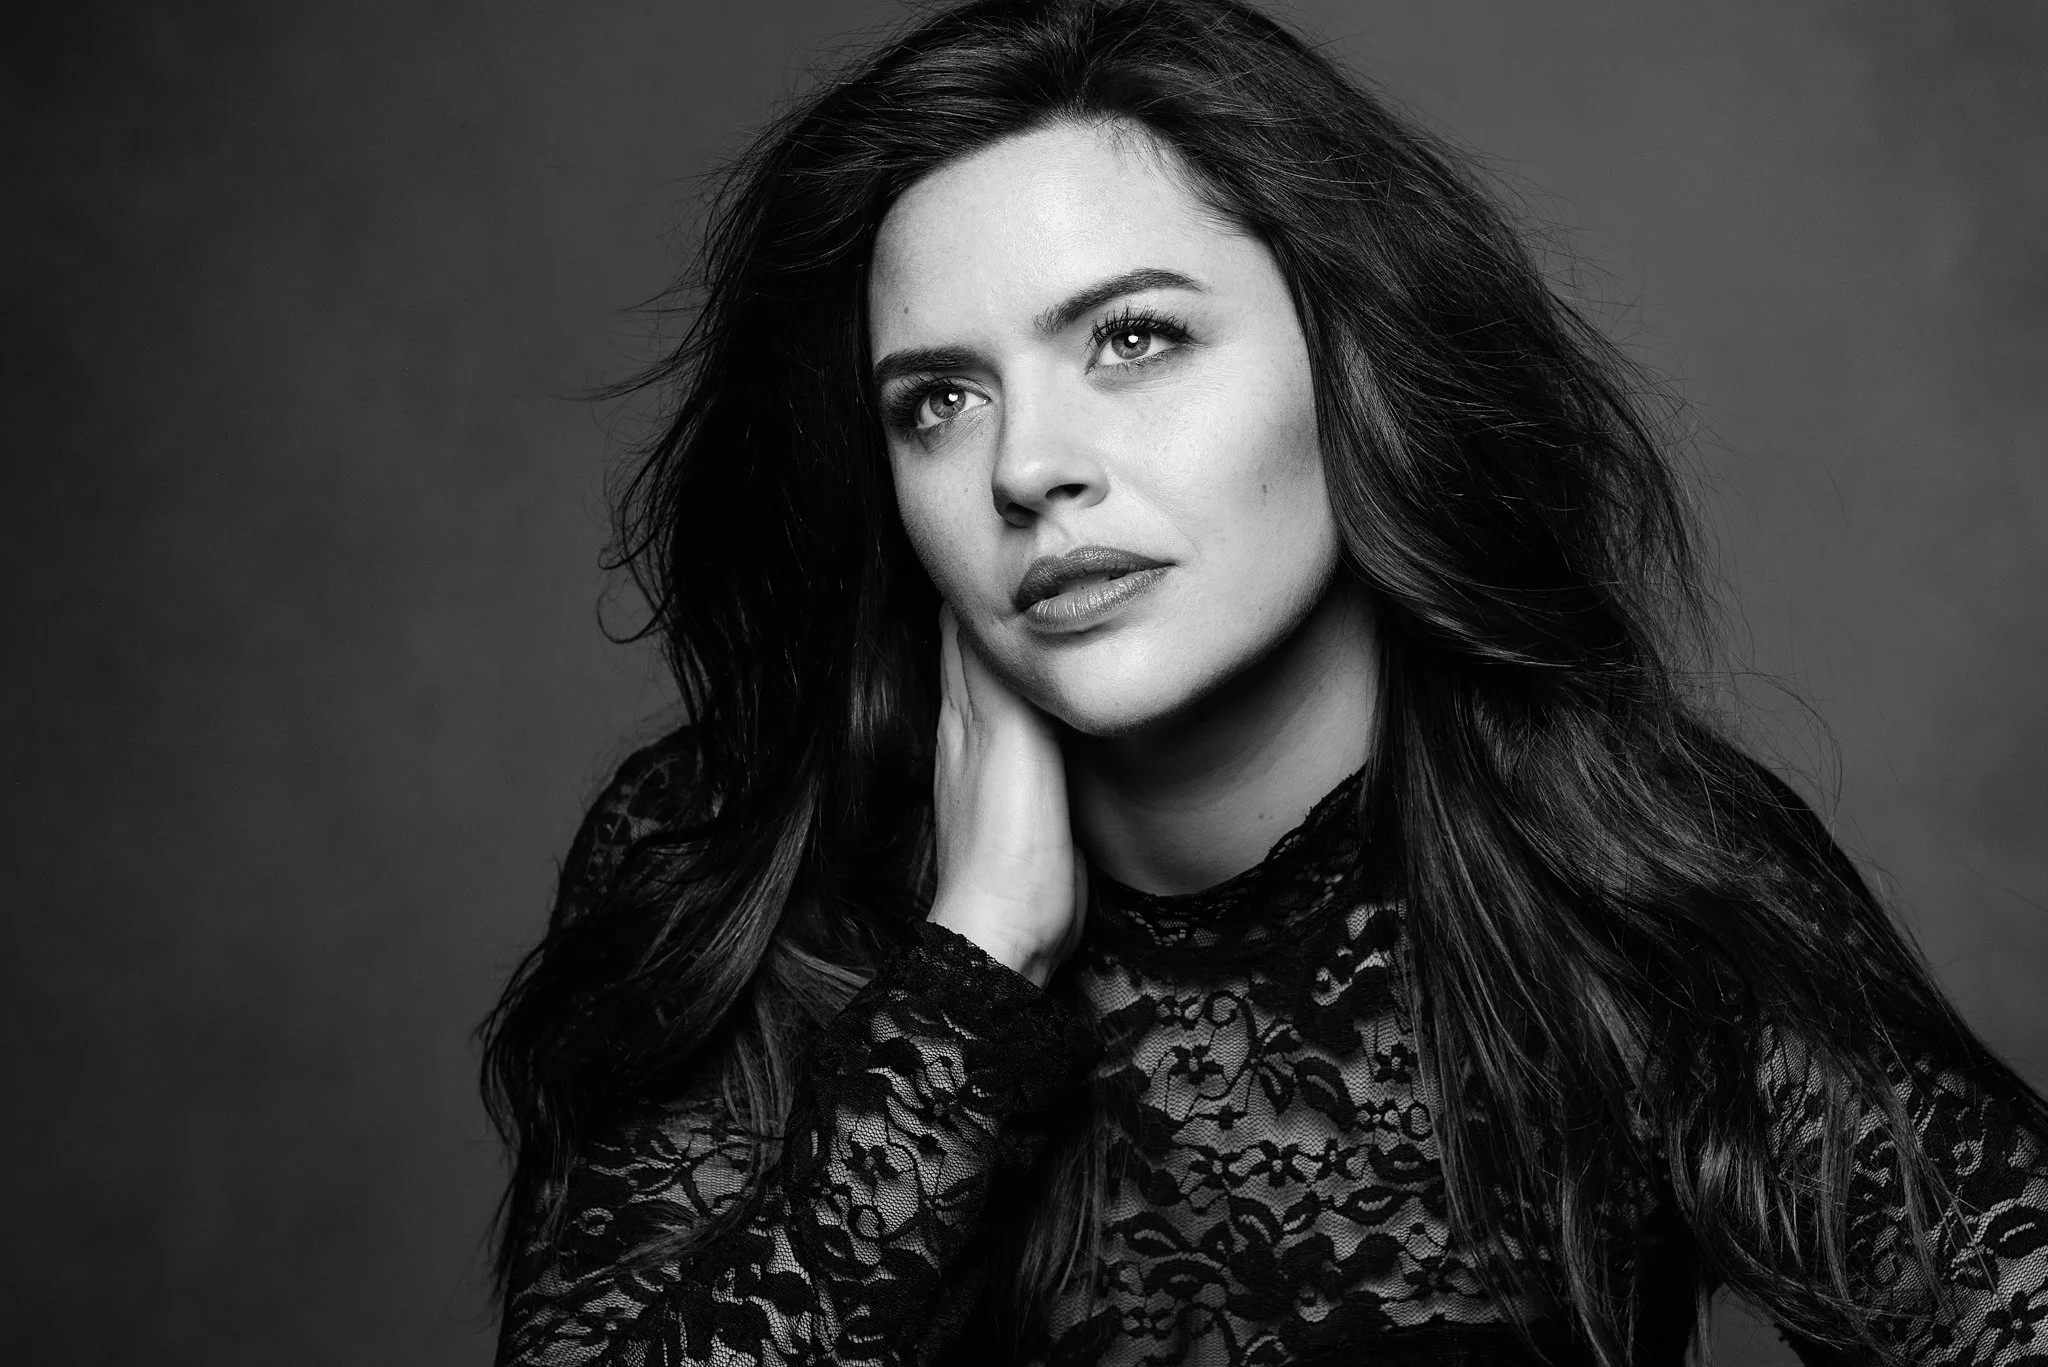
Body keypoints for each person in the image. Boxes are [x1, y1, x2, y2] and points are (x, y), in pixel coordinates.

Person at [479, 1, 2048, 1363]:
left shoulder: (1610, 874)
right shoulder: (743, 864)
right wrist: (963, 981)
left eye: (1135, 339)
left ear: (1347, 359)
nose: (1030, 467)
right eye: (941, 399)